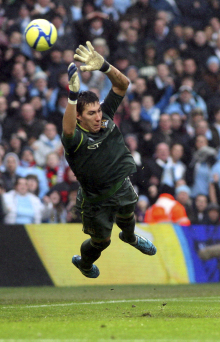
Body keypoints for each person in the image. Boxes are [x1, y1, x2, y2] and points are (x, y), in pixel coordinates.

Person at [62, 41, 157, 279]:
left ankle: (130, 237)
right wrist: (72, 97)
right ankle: (84, 263)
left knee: (127, 214)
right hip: (95, 199)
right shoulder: (76, 139)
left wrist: (103, 65)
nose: (97, 117)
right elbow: (67, 129)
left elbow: (123, 84)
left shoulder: (104, 117)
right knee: (101, 242)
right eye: (91, 113)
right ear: (80, 117)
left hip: (120, 183)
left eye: (98, 111)